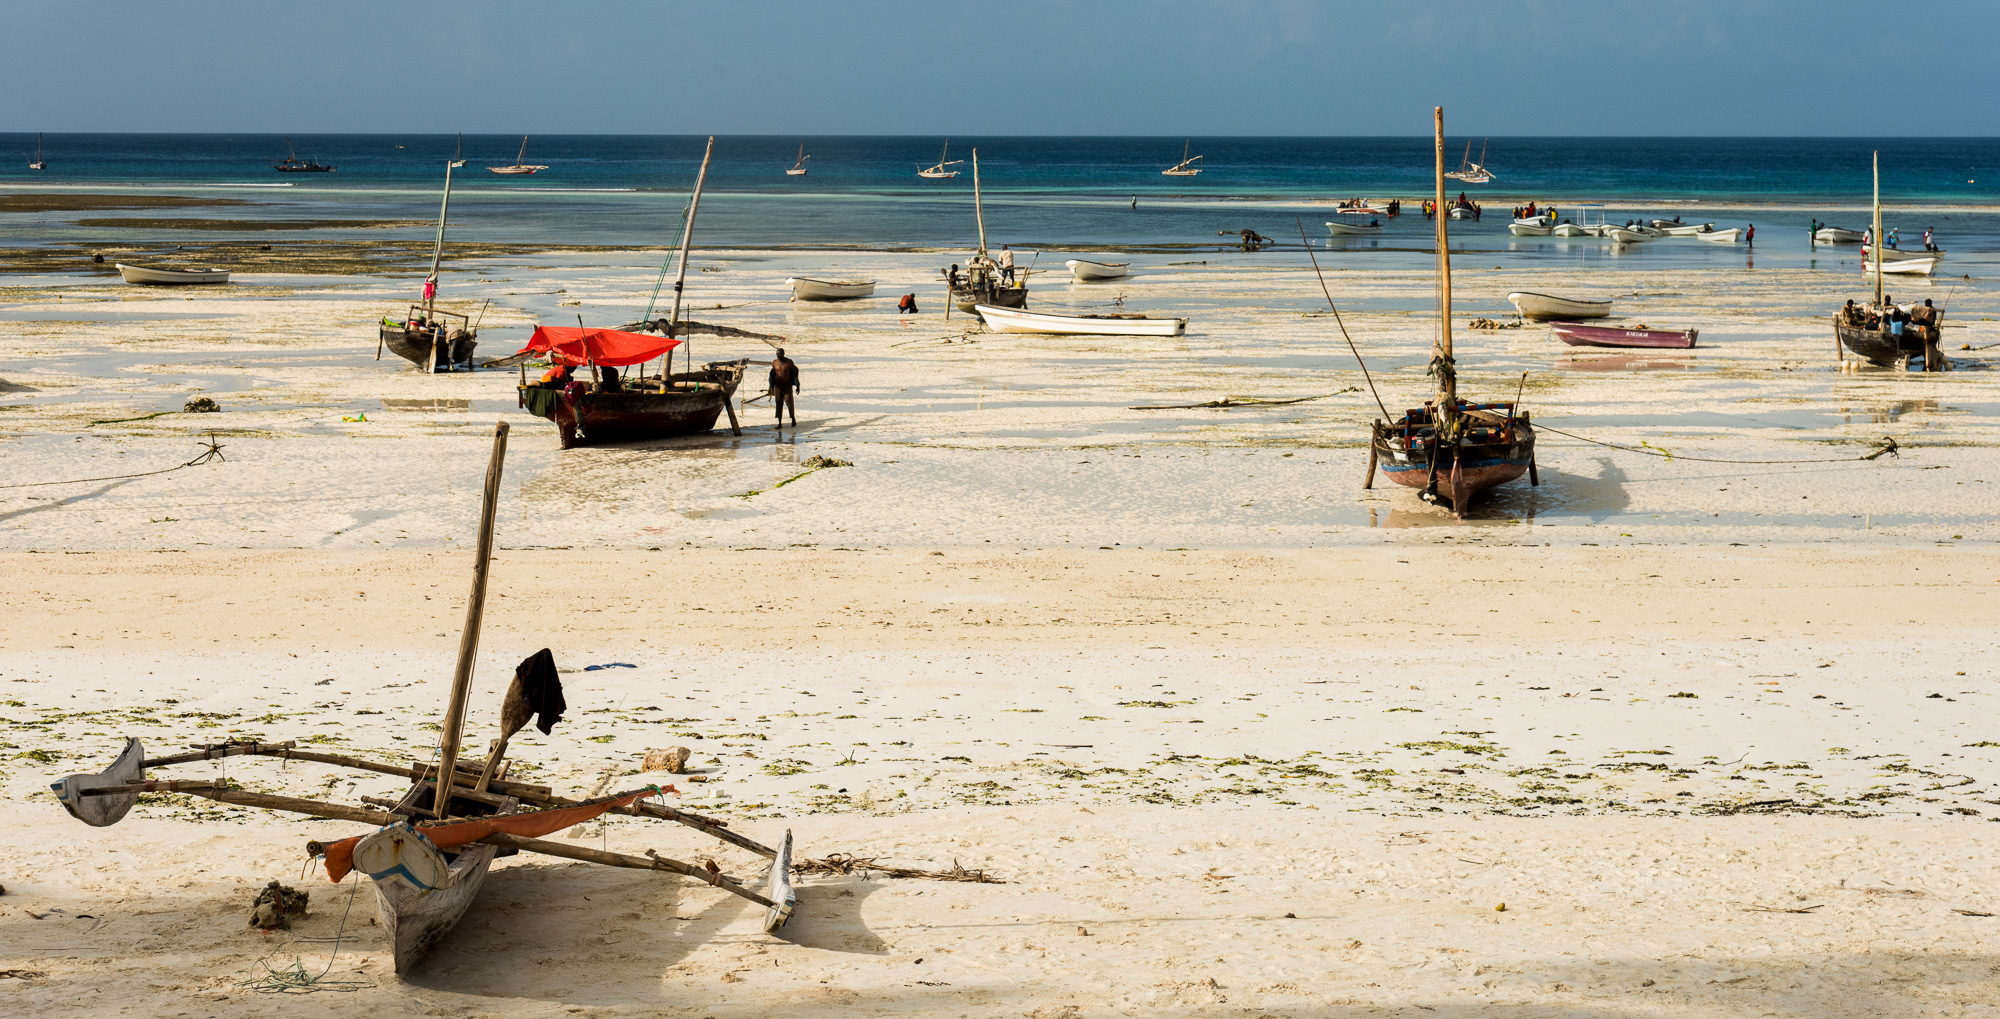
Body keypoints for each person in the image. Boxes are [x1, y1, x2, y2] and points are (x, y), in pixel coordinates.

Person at [768, 348, 799, 428]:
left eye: (780, 355)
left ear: (783, 354)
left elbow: (795, 373)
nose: (778, 356)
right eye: (777, 355)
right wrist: (771, 387)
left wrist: (797, 385)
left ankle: (793, 419)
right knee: (778, 403)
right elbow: (772, 375)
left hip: (787, 385)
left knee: (789, 402)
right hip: (778, 385)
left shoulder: (789, 362)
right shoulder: (774, 362)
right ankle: (779, 423)